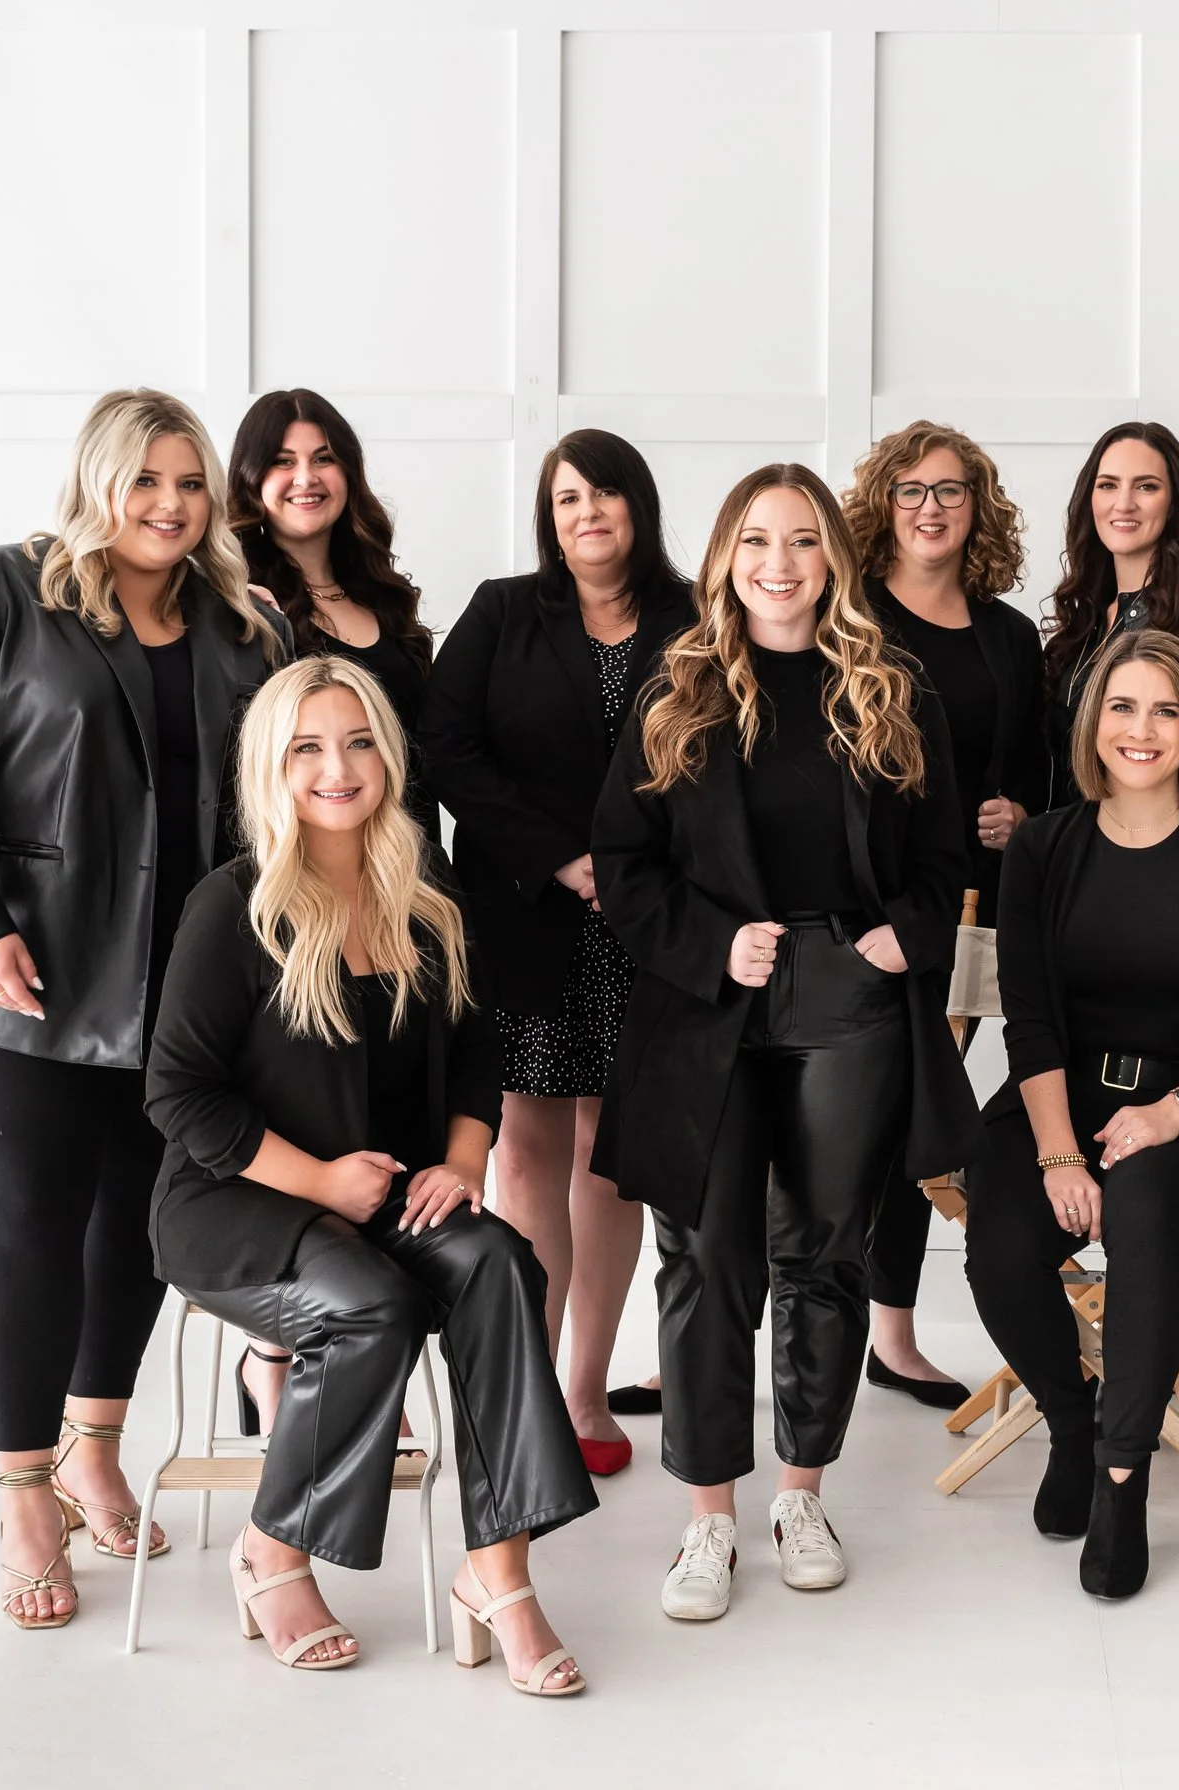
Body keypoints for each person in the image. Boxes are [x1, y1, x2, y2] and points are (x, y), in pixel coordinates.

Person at [0, 389, 288, 1629]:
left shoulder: (242, 624)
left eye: (190, 481)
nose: (169, 504)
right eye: (146, 478)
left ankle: (92, 1446)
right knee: (30, 1227)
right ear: (98, 479)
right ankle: (21, 1492)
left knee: (144, 1228)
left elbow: (270, 798)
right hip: (31, 981)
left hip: (188, 986)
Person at [145, 656, 595, 1688]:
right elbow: (178, 1094)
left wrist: (463, 1160)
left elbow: (482, 1045)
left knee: (498, 1263)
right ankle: (273, 1549)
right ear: (272, 764)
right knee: (370, 1307)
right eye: (307, 746)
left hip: (386, 1189)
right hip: (240, 1201)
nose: (336, 767)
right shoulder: (234, 905)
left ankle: (499, 1575)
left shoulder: (424, 887)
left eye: (356, 742)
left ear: (387, 758)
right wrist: (318, 1181)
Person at [591, 463, 977, 1622]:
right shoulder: (680, 685)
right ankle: (708, 1516)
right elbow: (623, 860)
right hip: (714, 999)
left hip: (847, 995)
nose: (778, 562)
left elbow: (942, 854)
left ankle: (799, 1493)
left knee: (822, 1251)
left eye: (802, 541)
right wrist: (714, 946)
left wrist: (905, 937)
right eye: (756, 540)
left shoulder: (892, 687)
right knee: (706, 1252)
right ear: (724, 556)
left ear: (832, 559)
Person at [962, 630, 1179, 1600]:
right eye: (1120, 706)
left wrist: (1173, 1109)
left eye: (1162, 709)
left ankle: (1120, 1474)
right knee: (1001, 1237)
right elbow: (1028, 1021)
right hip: (1056, 1099)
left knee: (1143, 1203)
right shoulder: (1042, 846)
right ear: (1090, 723)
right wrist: (1060, 1152)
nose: (1139, 729)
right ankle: (1071, 1416)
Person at [420, 429, 694, 1475]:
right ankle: (526, 1390)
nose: (587, 512)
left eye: (606, 493)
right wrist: (558, 858)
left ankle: (587, 1387)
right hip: (526, 913)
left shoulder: (693, 616)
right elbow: (447, 748)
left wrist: (629, 869)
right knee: (526, 1150)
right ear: (550, 514)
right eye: (567, 496)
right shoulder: (500, 610)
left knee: (608, 1159)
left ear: (639, 506)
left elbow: (723, 753)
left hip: (648, 921)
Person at [838, 418, 1045, 1411]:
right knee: (852, 1114)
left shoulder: (1008, 633)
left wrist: (1023, 813)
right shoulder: (850, 619)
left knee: (928, 1115)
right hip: (879, 908)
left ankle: (892, 1331)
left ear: (977, 507)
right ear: (884, 503)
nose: (931, 506)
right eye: (912, 488)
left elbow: (1038, 767)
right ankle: (818, 1317)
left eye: (951, 489)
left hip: (983, 911)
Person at [227, 388, 435, 840]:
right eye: (283, 461)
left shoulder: (385, 596)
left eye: (323, 459)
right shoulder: (238, 606)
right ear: (251, 478)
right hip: (298, 867)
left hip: (407, 859)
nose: (306, 478)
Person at [1039, 420, 1179, 808]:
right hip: (1072, 852)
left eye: (1146, 486)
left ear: (1175, 504)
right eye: (1107, 485)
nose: (1124, 503)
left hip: (1172, 855)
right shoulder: (1080, 624)